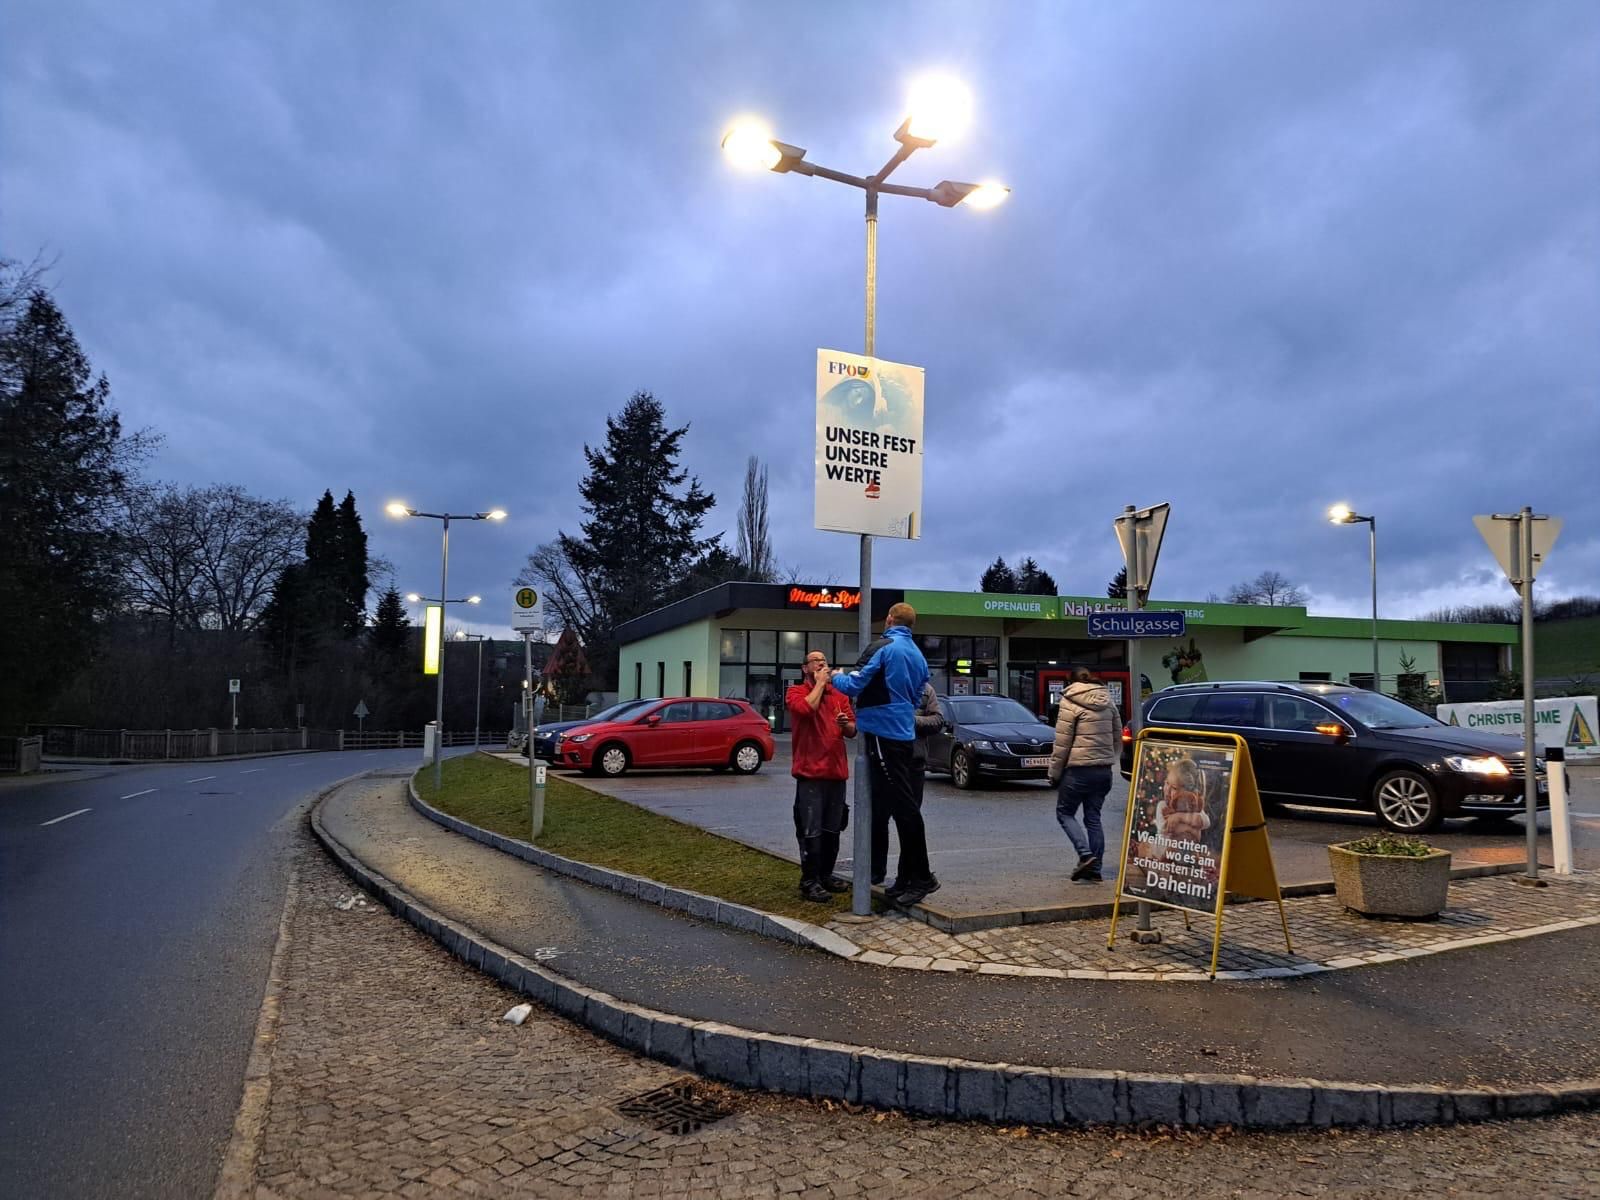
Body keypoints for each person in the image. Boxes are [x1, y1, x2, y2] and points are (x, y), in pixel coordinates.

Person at [831, 602, 936, 905]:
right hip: (902, 732)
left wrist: (837, 676)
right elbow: (919, 693)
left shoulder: (884, 647)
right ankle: (906, 878)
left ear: (889, 619)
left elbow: (856, 684)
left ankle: (922, 877)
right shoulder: (917, 654)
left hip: (882, 733)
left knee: (904, 809)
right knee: (902, 806)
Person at [785, 649, 857, 903]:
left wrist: (844, 723)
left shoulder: (839, 694)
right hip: (810, 774)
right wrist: (820, 683)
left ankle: (826, 875)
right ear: (805, 668)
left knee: (832, 830)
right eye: (815, 661)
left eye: (824, 660)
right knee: (810, 831)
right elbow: (806, 710)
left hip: (836, 772)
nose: (821, 663)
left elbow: (852, 730)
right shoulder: (796, 692)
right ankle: (809, 881)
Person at [1045, 666, 1117, 882]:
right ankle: (1095, 870)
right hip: (1103, 770)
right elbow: (1116, 735)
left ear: (1071, 683)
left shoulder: (1069, 702)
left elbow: (1062, 743)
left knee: (1065, 813)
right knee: (1093, 818)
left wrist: (1054, 773)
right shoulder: (1108, 701)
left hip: (1078, 770)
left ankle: (1085, 855)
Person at [871, 680, 943, 886]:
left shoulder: (925, 689)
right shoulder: (884, 687)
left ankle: (906, 876)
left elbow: (938, 721)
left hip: (913, 765)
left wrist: (912, 720)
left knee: (908, 822)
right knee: (878, 819)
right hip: (883, 765)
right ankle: (875, 871)